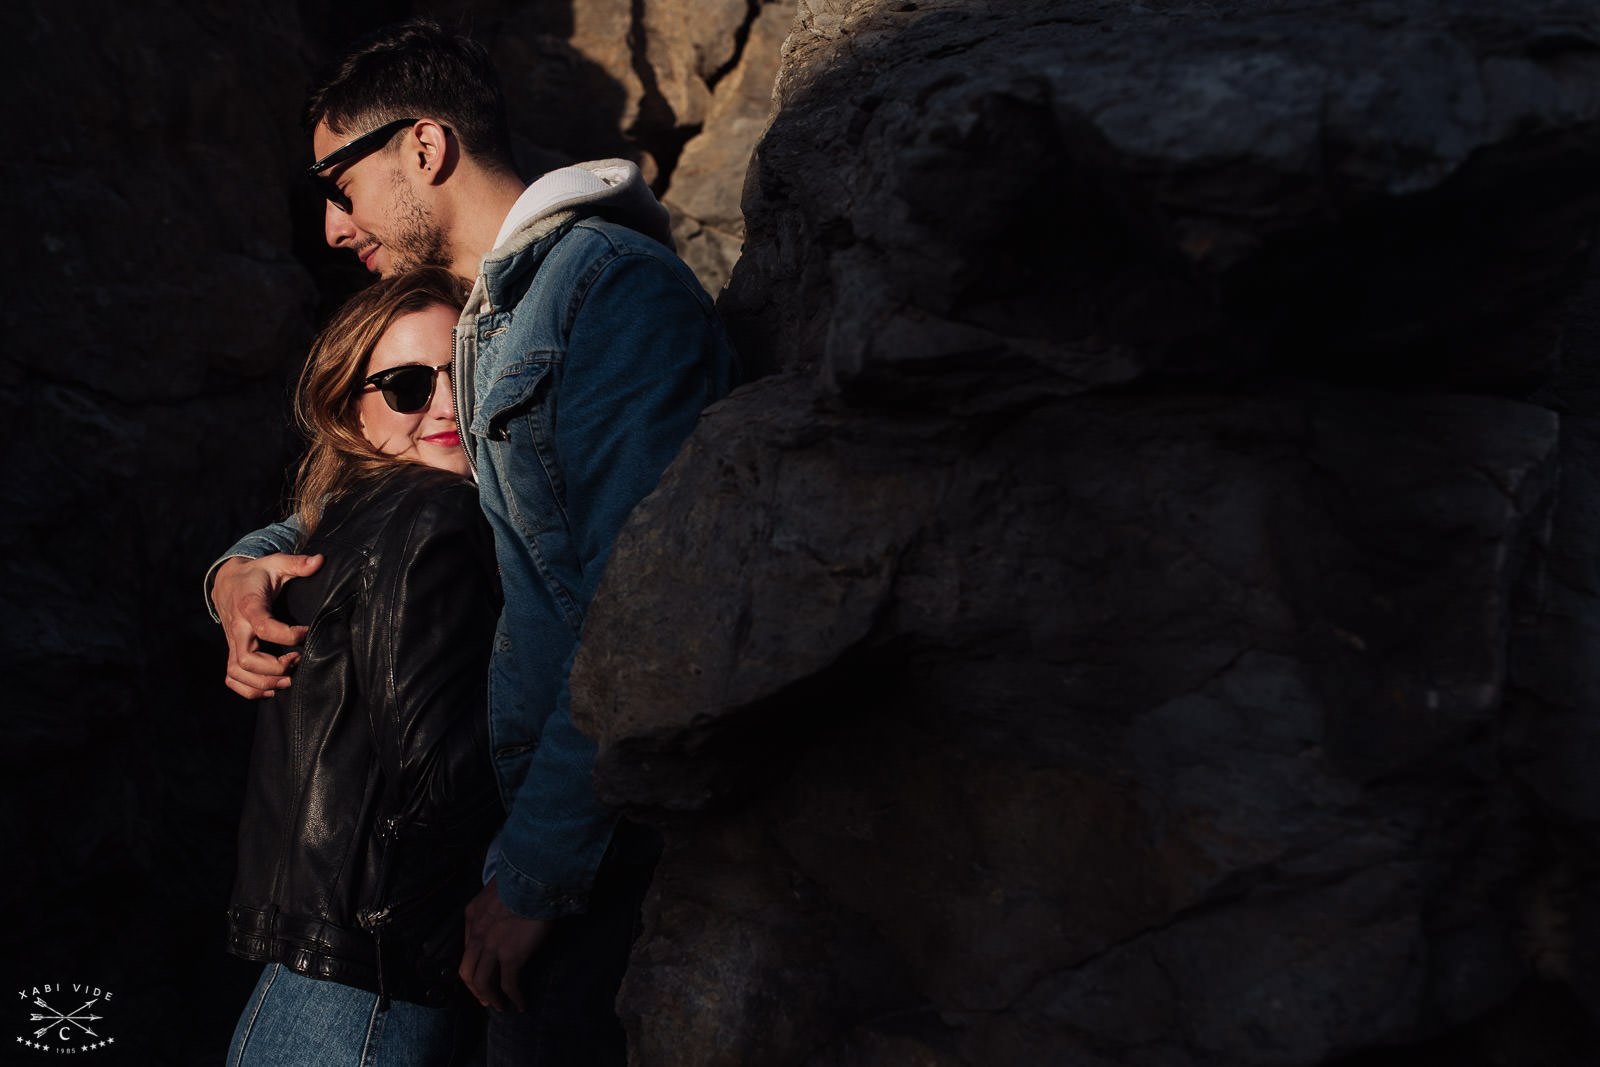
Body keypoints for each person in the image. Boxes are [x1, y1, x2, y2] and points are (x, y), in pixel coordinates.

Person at [206, 17, 741, 1064]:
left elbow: (643, 600)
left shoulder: (605, 291)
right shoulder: (483, 321)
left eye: (337, 182)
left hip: (575, 874)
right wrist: (235, 569)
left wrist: (536, 875)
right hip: (506, 882)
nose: (330, 226)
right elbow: (399, 490)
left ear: (422, 146)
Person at [225, 267, 501, 1066]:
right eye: (409, 386)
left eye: (465, 370)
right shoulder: (436, 515)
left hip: (307, 980)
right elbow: (441, 776)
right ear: (351, 410)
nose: (446, 404)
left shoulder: (344, 523)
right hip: (375, 988)